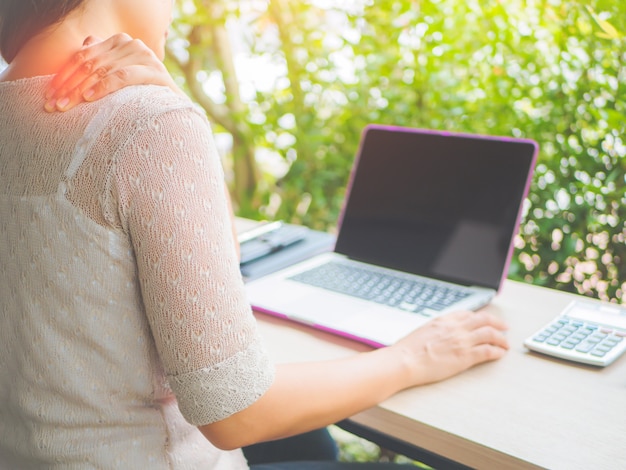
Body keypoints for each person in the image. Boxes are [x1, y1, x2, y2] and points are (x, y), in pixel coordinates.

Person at [0, 1, 510, 468]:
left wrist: (170, 97)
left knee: (314, 446)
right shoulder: (145, 125)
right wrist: (414, 356)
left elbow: (222, 252)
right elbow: (234, 413)